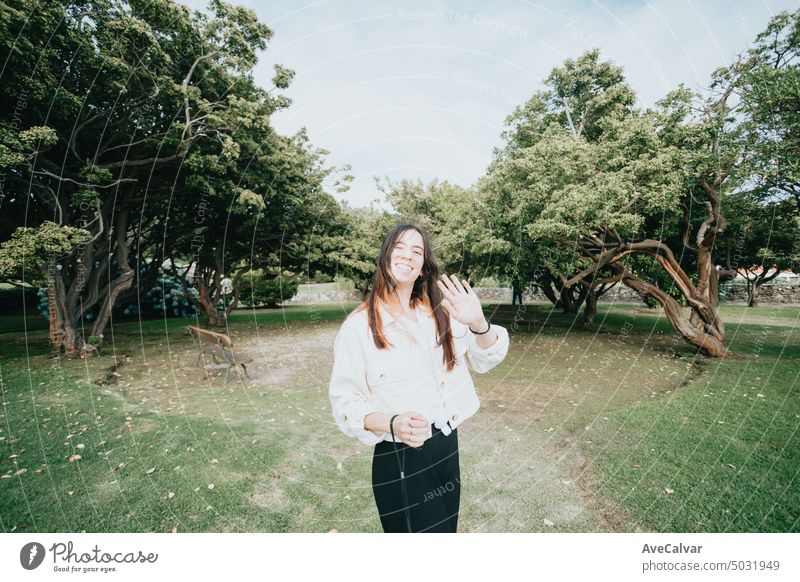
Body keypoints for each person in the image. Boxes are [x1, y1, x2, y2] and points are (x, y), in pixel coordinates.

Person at [328, 223, 510, 533]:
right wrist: (391, 423)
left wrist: (479, 322)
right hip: (401, 458)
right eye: (399, 247)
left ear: (423, 267)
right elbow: (345, 403)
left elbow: (485, 359)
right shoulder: (358, 327)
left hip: (447, 446)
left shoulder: (440, 313)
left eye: (417, 251)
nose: (407, 255)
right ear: (385, 256)